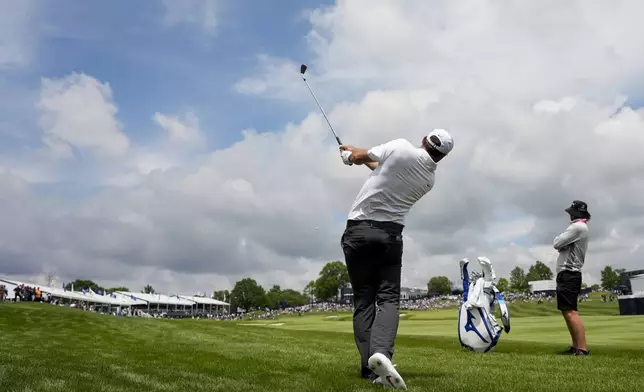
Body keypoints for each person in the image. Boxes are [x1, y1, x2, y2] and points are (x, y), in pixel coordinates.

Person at [338, 129, 454, 389]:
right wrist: (355, 152)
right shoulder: (428, 178)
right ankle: (381, 355)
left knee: (364, 300)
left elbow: (360, 158)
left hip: (359, 230)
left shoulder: (400, 147)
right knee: (388, 298)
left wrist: (348, 156)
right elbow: (380, 166)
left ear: (424, 139)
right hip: (391, 236)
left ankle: (369, 367)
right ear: (442, 156)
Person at [553, 200, 591, 356]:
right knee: (567, 311)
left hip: (569, 273)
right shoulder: (580, 227)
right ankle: (576, 346)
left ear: (575, 213)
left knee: (570, 312)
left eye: (571, 212)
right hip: (568, 274)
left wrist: (562, 243)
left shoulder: (577, 227)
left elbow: (556, 243)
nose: (570, 215)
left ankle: (581, 348)